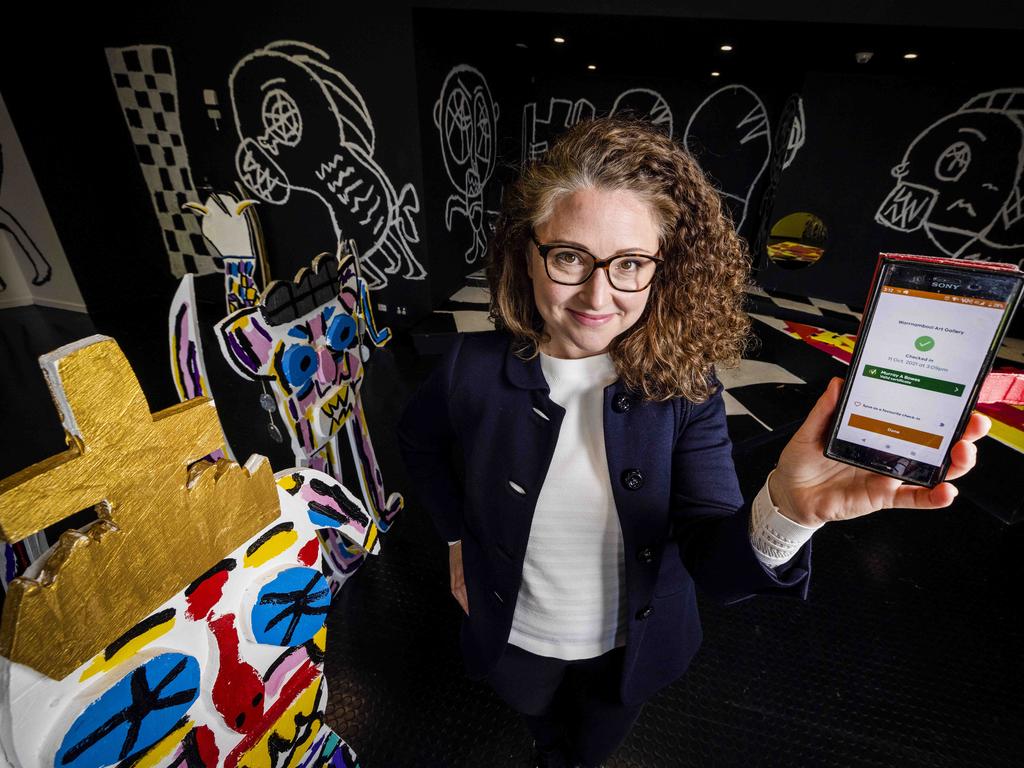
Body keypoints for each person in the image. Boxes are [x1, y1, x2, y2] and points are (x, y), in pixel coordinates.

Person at [397, 117, 988, 768]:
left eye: (629, 265)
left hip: (631, 653)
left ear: (661, 270)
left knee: (588, 747)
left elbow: (715, 557)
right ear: (525, 252)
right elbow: (417, 444)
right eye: (569, 257)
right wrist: (455, 538)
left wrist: (788, 511)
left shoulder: (686, 391)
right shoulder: (467, 368)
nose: (599, 295)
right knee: (537, 719)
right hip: (513, 636)